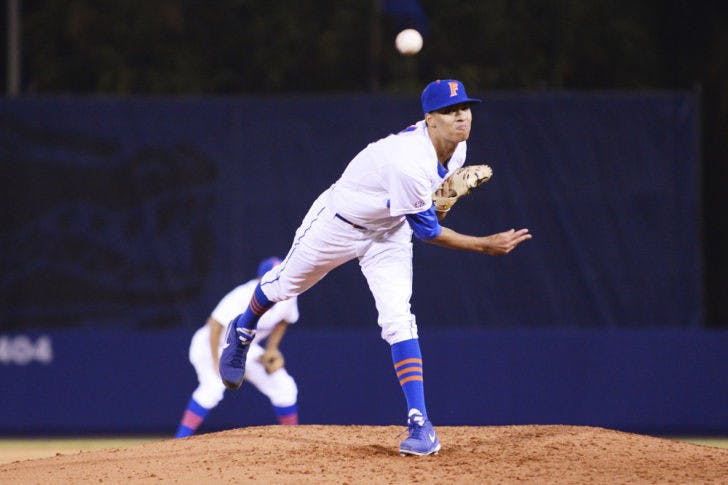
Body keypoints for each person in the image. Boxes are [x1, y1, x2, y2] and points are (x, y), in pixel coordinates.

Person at [219, 79, 532, 455]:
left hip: (390, 231)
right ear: (430, 119)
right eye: (450, 111)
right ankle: (243, 329)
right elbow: (429, 232)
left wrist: (444, 198)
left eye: (464, 108)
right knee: (284, 286)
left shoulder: (459, 150)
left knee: (399, 318)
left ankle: (420, 423)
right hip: (339, 222)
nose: (461, 116)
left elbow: (429, 211)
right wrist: (484, 245)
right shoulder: (408, 161)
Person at [174, 257, 299, 438]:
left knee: (284, 385)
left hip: (243, 347)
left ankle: (293, 439)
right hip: (211, 343)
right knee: (213, 388)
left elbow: (284, 320)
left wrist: (272, 348)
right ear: (262, 279)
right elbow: (215, 325)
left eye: (282, 275)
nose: (280, 280)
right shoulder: (244, 294)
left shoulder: (289, 294)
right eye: (275, 276)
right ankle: (180, 439)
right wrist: (217, 363)